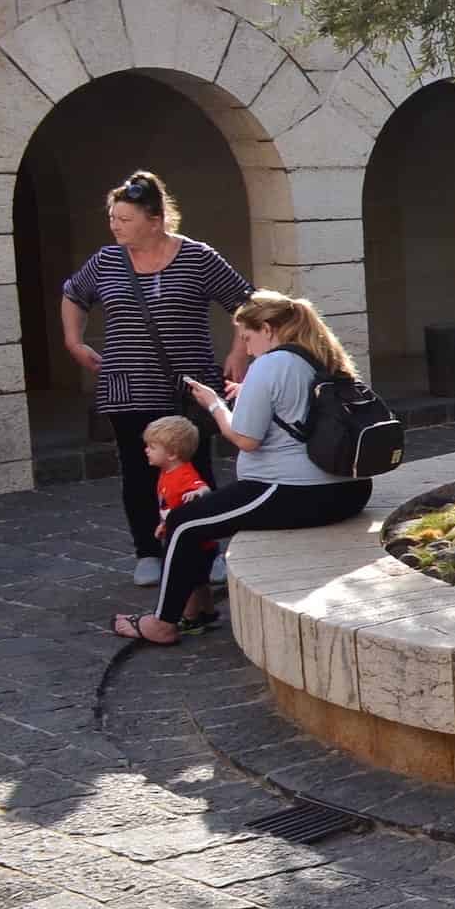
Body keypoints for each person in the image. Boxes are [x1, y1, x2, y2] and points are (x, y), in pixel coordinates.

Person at [112, 292, 374, 644]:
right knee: (199, 518)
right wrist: (248, 394)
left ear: (266, 329)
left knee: (181, 522)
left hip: (294, 490)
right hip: (348, 488)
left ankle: (162, 622)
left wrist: (214, 403)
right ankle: (199, 610)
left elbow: (245, 438)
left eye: (247, 338)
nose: (247, 350)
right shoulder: (319, 355)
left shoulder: (270, 364)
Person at [61, 171, 254, 588]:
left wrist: (239, 352)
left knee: (195, 470)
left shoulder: (198, 257)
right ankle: (148, 552)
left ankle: (205, 550)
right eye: (113, 217)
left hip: (187, 387)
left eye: (125, 218)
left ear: (156, 219)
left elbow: (246, 302)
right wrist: (74, 342)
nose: (115, 225)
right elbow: (74, 294)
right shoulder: (106, 261)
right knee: (138, 470)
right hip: (127, 386)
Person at [142, 414, 213, 549]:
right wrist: (164, 525)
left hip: (191, 544)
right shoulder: (166, 471)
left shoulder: (184, 474)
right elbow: (169, 506)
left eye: (152, 447)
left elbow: (205, 489)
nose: (146, 450)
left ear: (172, 454)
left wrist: (198, 492)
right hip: (175, 534)